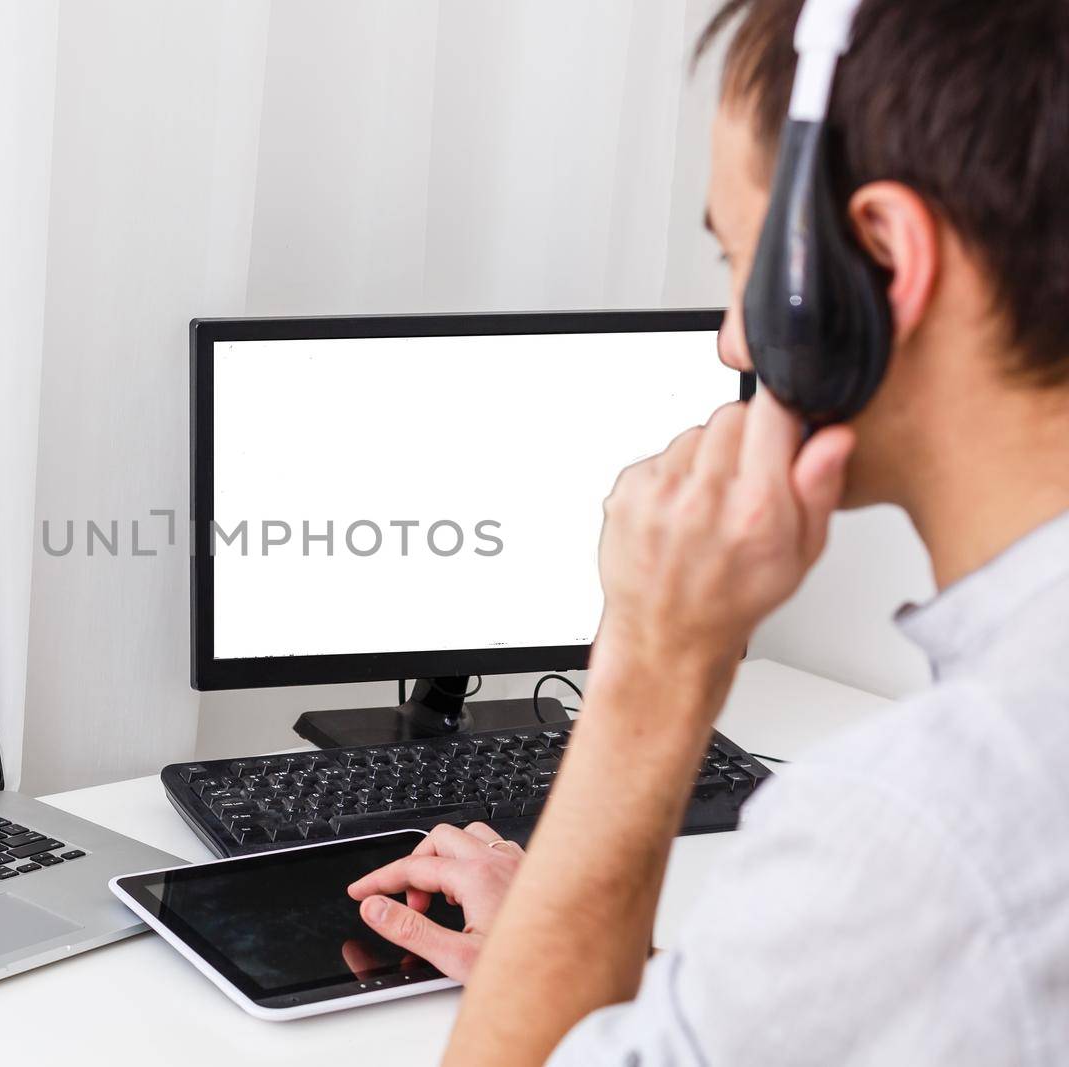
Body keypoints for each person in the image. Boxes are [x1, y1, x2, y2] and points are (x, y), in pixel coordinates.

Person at [346, 1, 1069, 1063]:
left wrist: (650, 662)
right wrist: (558, 936)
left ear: (883, 253)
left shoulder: (917, 826)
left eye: (742, 261)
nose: (734, 335)